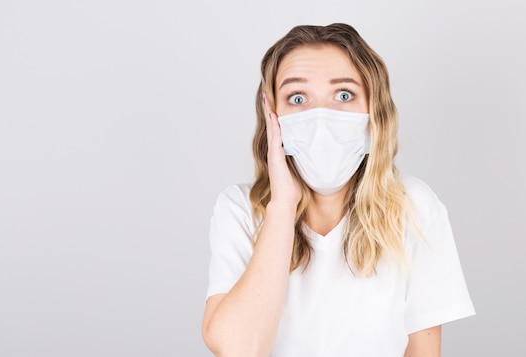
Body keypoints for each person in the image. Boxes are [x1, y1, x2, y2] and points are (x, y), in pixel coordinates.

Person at [202, 23, 475, 356]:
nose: (321, 118)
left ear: (374, 112)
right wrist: (283, 207)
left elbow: (423, 352)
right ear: (272, 115)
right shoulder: (240, 210)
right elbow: (237, 348)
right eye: (297, 98)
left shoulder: (413, 208)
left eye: (344, 95)